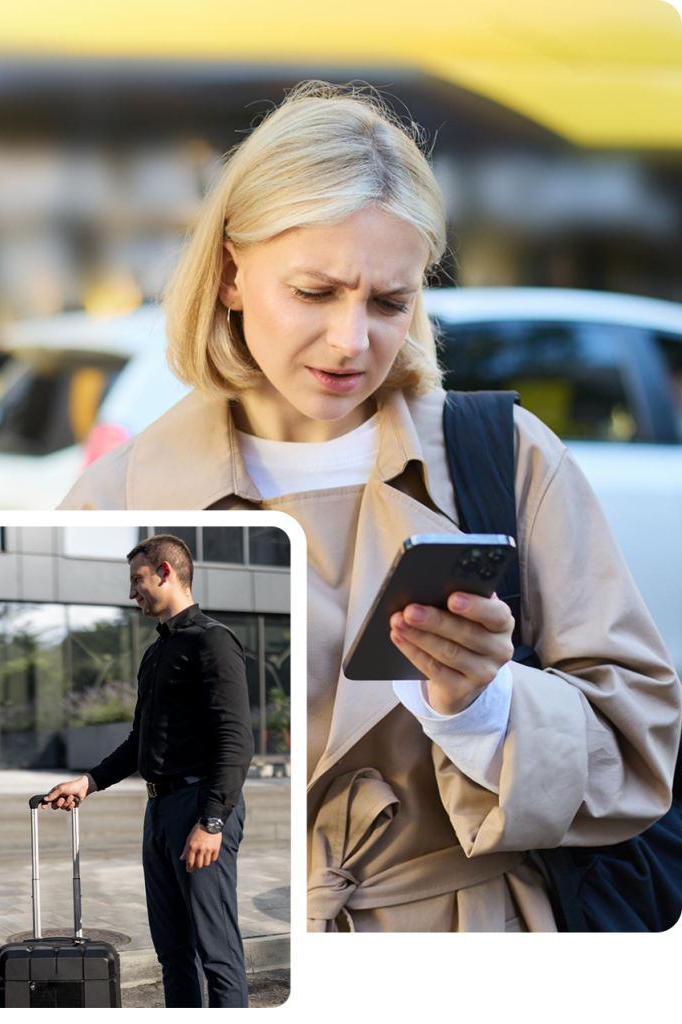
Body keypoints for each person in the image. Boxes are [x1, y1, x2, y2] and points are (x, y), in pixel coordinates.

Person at [59, 81, 682, 932]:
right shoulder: (116, 500)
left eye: (391, 302)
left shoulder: (507, 455)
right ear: (233, 274)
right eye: (316, 292)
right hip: (247, 946)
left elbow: (640, 750)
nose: (354, 342)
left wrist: (487, 706)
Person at [45, 534, 254, 1004]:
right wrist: (89, 781)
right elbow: (140, 741)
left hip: (199, 808)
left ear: (166, 571)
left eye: (137, 579)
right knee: (173, 951)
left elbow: (236, 740)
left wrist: (213, 820)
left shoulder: (213, 641)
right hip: (159, 811)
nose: (132, 591)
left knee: (215, 949)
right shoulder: (156, 652)